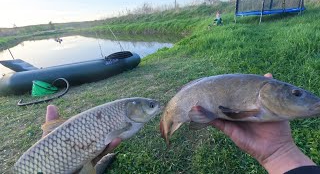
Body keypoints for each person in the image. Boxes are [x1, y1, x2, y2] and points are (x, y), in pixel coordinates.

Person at [42, 73, 319, 173]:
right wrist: (281, 155)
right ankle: (170, 121)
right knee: (175, 113)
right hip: (192, 100)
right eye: (296, 93)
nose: (302, 97)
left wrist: (279, 152)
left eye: (297, 93)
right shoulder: (261, 97)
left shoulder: (265, 99)